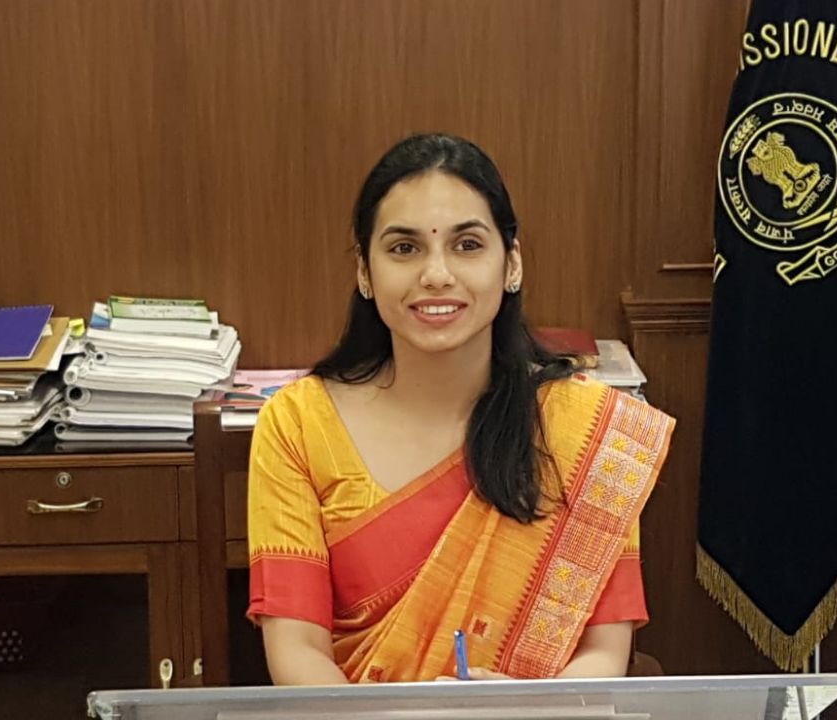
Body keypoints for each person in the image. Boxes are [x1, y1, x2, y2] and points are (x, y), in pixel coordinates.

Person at [245, 133, 675, 685]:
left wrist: (522, 713)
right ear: (364, 272)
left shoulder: (587, 432)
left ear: (511, 263)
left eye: (467, 245)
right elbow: (297, 653)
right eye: (404, 249)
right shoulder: (298, 423)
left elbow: (602, 657)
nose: (437, 275)